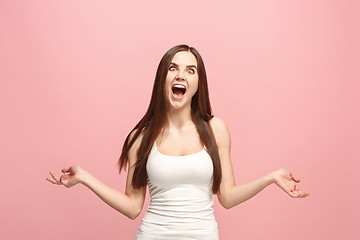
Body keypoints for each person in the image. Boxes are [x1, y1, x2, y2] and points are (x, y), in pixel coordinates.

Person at [46, 44, 310, 239]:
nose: (180, 75)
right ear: (163, 78)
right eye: (173, 68)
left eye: (190, 70)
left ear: (198, 83)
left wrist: (271, 178)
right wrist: (85, 179)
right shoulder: (140, 137)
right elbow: (132, 207)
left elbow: (227, 197)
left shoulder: (216, 129)